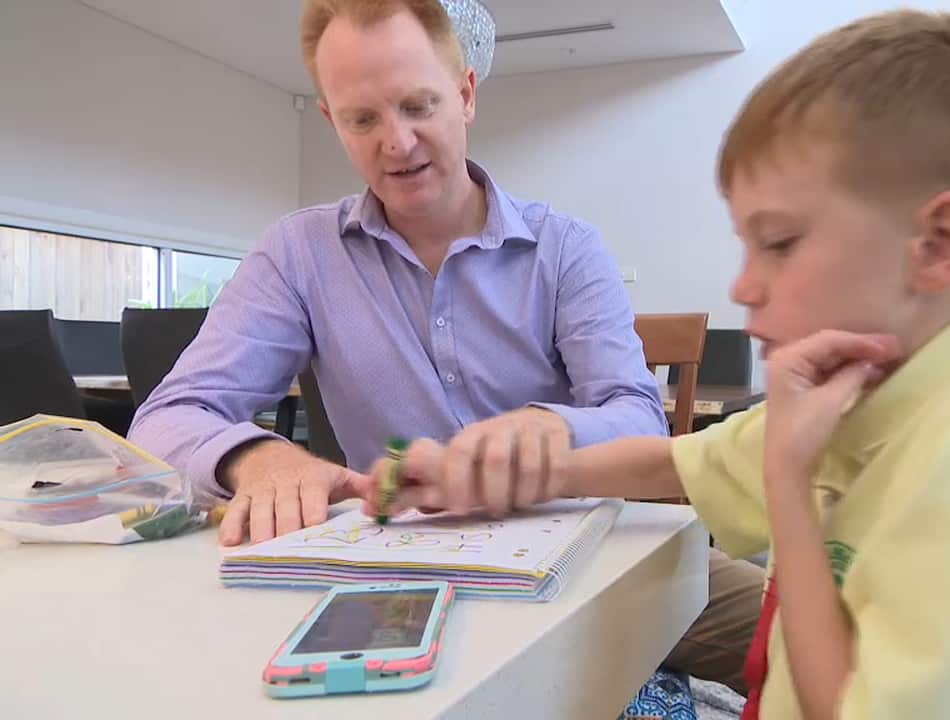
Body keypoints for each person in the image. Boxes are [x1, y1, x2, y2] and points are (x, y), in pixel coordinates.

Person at [374, 9, 950, 720]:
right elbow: (670, 464)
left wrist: (788, 495)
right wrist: (492, 473)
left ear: (937, 245)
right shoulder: (865, 403)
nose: (741, 284)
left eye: (782, 242)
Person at [127, 0, 764, 695]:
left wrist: (546, 434)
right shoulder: (298, 254)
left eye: (417, 105)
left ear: (465, 94)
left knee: (825, 641)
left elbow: (638, 416)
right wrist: (258, 457)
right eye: (362, 119)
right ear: (330, 120)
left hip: (591, 547)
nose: (395, 143)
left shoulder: (565, 248)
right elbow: (166, 418)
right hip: (394, 565)